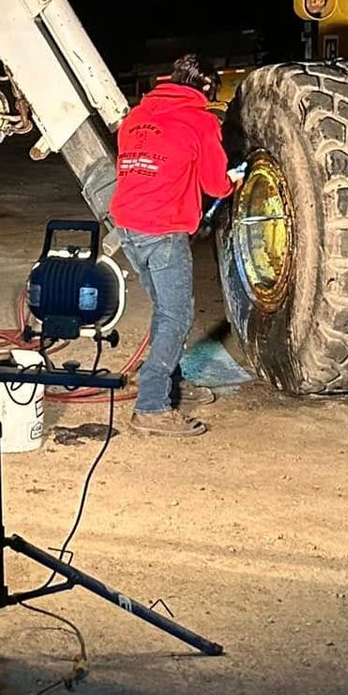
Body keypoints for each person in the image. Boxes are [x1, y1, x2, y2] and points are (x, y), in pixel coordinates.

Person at [108, 55, 236, 437]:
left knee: (165, 313)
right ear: (206, 88)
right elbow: (216, 186)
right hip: (162, 231)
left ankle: (170, 385)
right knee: (176, 317)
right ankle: (151, 406)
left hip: (127, 225)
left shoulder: (135, 117)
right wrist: (233, 184)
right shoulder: (201, 121)